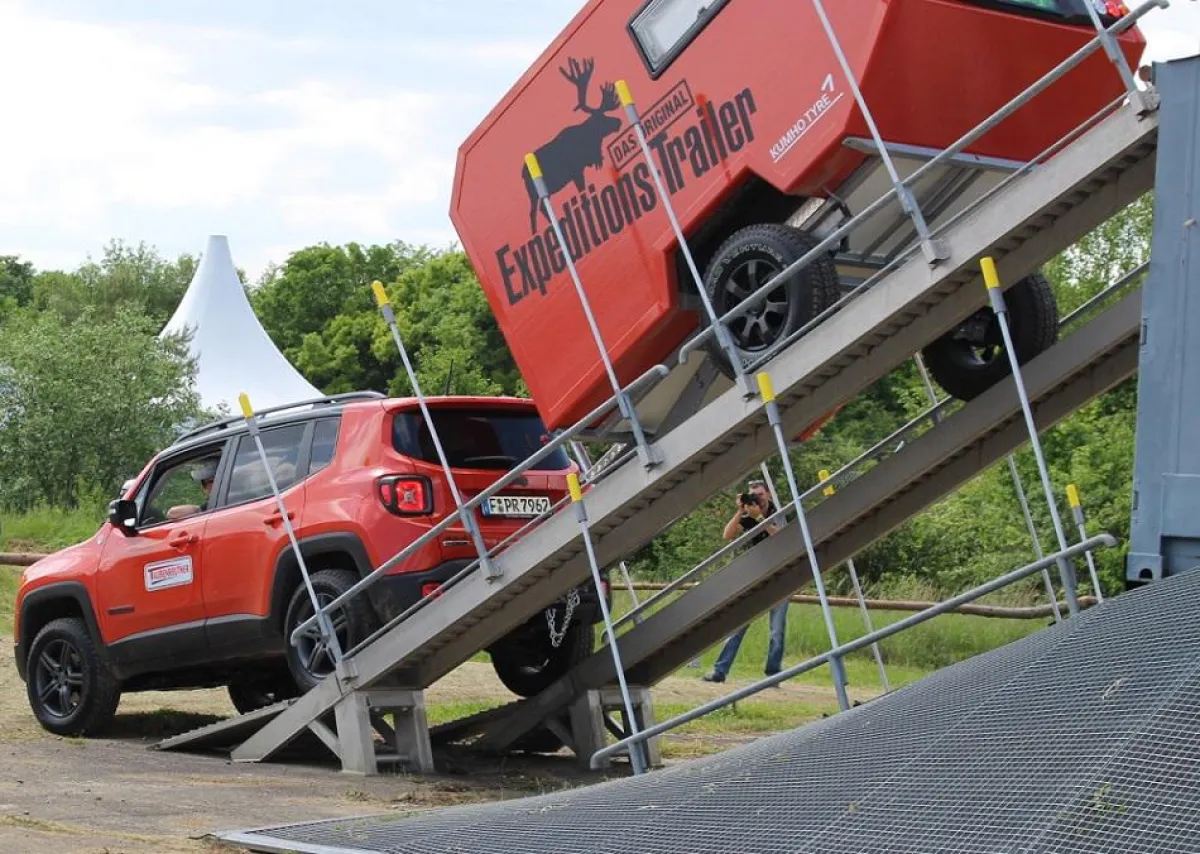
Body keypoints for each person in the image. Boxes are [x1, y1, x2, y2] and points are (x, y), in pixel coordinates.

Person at [702, 478, 788, 684]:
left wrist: (761, 520)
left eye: (760, 494)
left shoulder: (779, 512)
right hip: (757, 575)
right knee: (739, 623)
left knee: (777, 630)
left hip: (781, 574)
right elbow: (727, 535)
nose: (757, 499)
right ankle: (720, 671)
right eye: (753, 495)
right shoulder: (750, 516)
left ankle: (773, 675)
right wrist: (740, 511)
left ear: (768, 494)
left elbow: (784, 538)